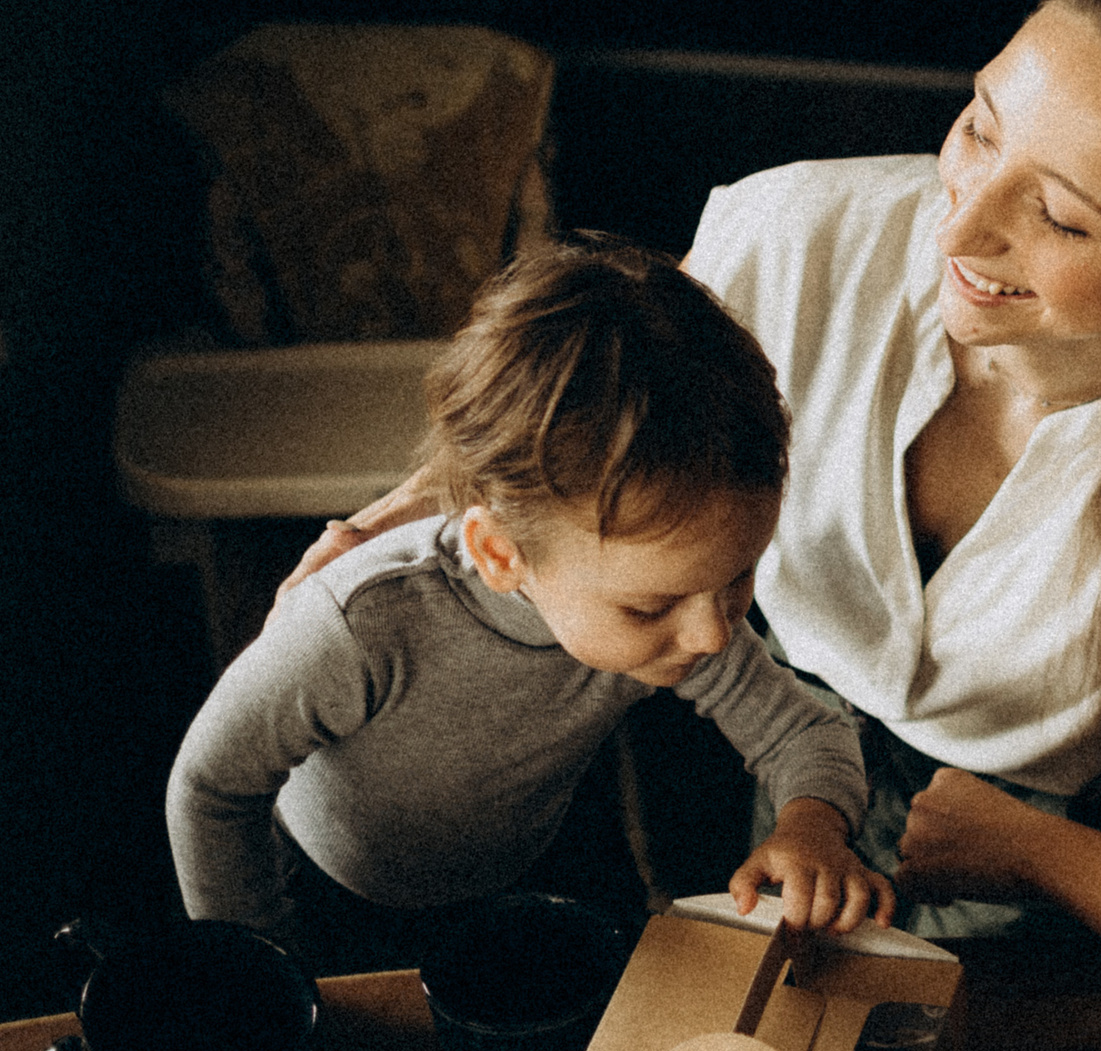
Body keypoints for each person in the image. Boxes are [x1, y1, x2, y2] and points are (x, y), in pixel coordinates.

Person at [279, 0, 1101, 1051]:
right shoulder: (799, 235)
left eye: (1062, 215)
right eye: (979, 127)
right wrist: (392, 517)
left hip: (1011, 857)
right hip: (749, 740)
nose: (964, 223)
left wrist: (1034, 852)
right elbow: (569, 415)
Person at [173, 235, 890, 971]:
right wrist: (259, 959)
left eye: (740, 577)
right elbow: (210, 786)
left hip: (536, 863)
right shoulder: (360, 624)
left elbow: (806, 731)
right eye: (650, 607)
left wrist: (811, 824)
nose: (712, 633)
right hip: (333, 897)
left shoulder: (678, 611)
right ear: (499, 554)